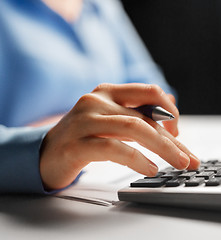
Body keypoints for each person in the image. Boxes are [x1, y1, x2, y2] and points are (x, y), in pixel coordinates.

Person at [0, 0, 200, 194]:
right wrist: (43, 146)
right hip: (29, 198)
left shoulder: (104, 4)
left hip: (117, 171)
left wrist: (113, 120)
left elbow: (155, 89)